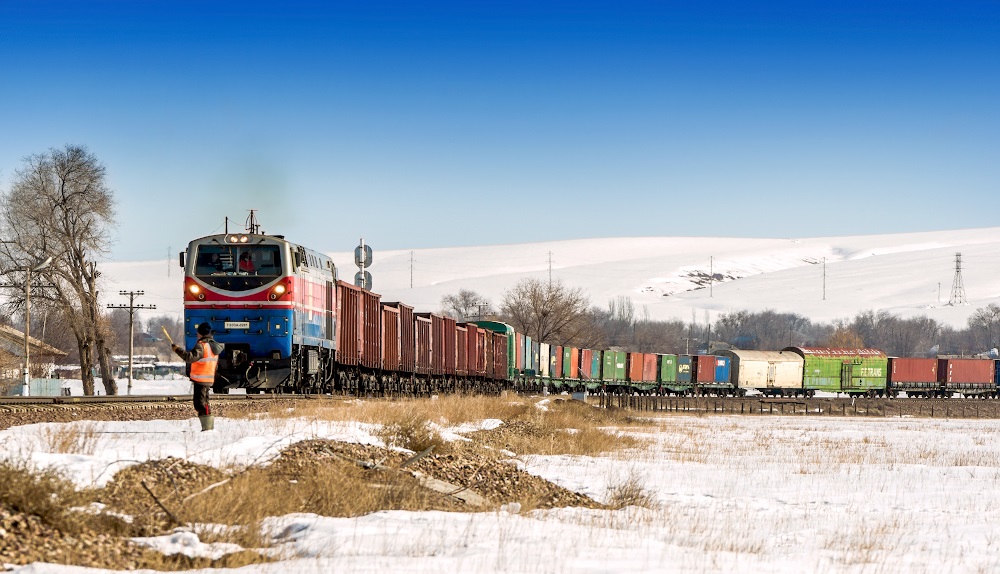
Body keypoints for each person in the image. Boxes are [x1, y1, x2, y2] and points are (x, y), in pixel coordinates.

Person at [172, 322, 224, 431]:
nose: (197, 334)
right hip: (208, 378)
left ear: (201, 333)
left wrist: (178, 350)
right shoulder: (213, 346)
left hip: (201, 379)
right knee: (204, 403)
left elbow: (190, 358)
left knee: (200, 404)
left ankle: (207, 428)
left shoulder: (202, 345)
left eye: (198, 332)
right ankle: (208, 427)